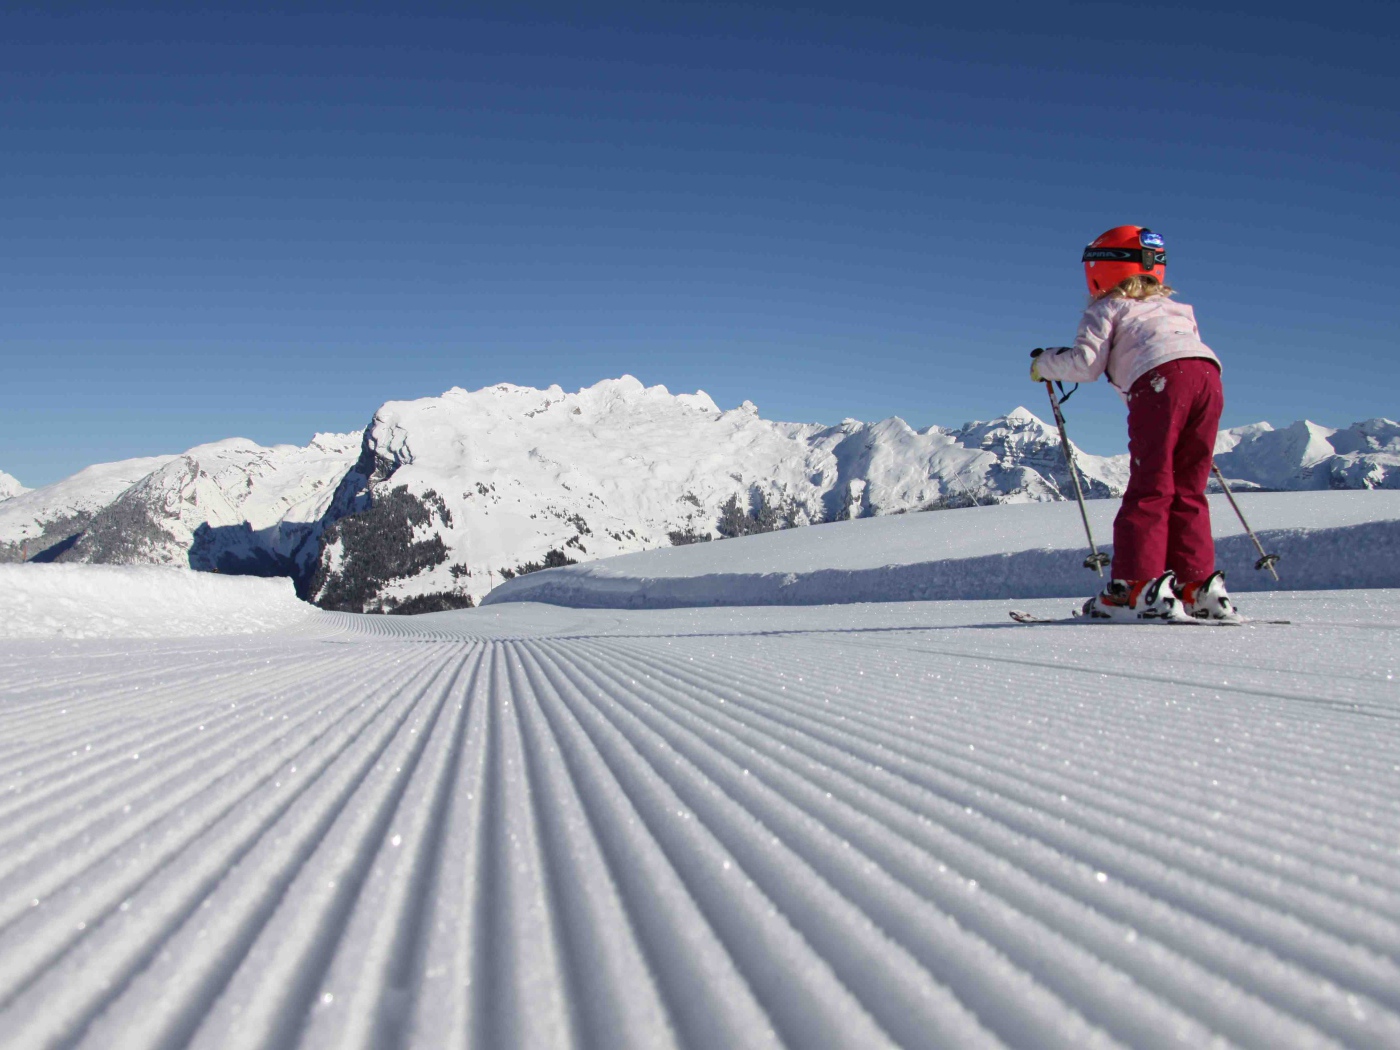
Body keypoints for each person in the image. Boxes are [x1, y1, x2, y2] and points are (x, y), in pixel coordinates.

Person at [1031, 225, 1238, 622]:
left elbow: (1086, 364)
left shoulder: (1107, 308)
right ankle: (1196, 588)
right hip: (1208, 377)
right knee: (1189, 488)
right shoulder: (1179, 310)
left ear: (1102, 269)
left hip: (1160, 383)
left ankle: (1136, 588)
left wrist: (1043, 365)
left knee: (1151, 487)